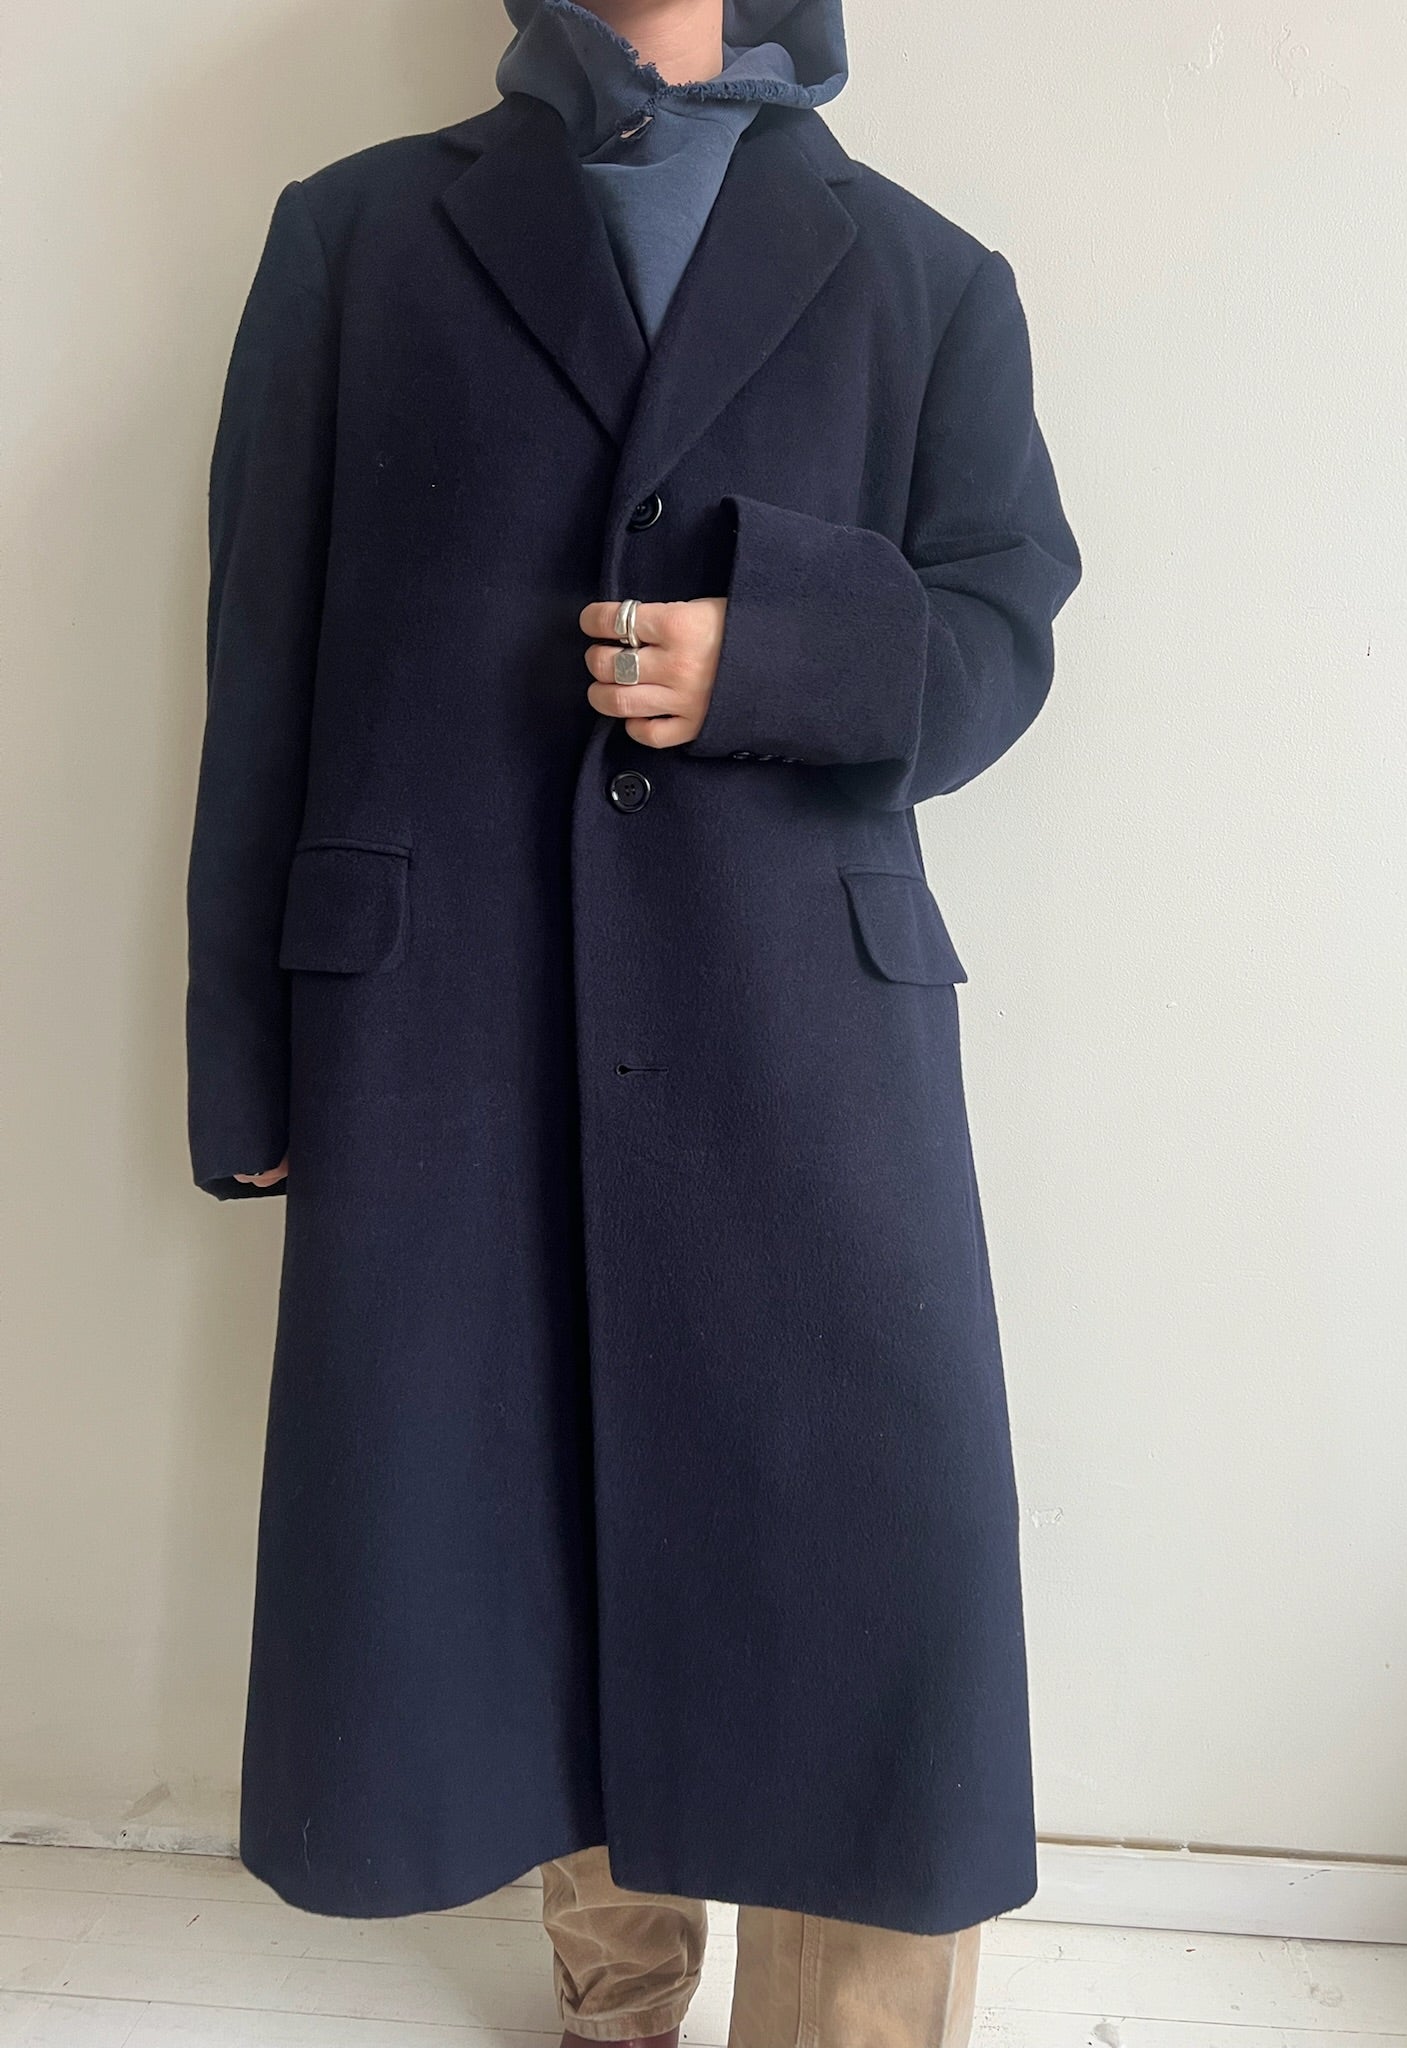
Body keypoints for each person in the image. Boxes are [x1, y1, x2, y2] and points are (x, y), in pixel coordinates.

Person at [185, 0, 1082, 2040]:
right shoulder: (356, 237)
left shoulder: (931, 274)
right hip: (449, 1029)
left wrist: (778, 655)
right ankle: (618, 1994)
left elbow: (1004, 618)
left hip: (805, 1027)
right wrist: (247, 1057)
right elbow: (263, 658)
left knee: (872, 1571)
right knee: (531, 1515)